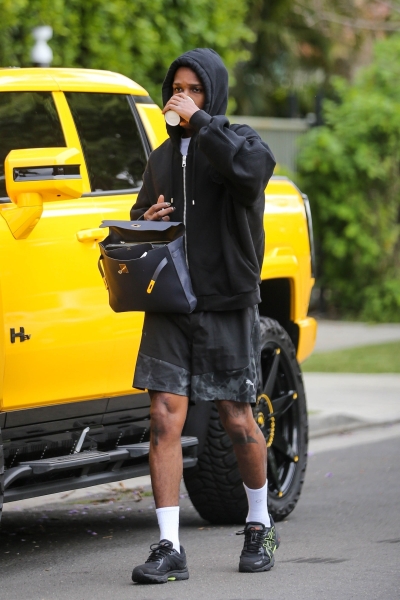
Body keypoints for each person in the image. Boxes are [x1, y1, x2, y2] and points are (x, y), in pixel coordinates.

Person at [130, 48, 278, 584]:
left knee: (237, 420)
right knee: (164, 417)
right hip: (172, 303)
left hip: (226, 301)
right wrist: (146, 218)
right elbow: (135, 220)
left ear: (211, 94)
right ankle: (169, 545)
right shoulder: (162, 159)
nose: (182, 98)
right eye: (177, 88)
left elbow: (253, 172)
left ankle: (260, 523)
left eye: (194, 89)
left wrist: (203, 125)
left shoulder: (238, 142)